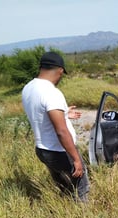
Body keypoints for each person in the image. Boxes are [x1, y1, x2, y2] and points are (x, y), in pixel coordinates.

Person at [22, 51, 90, 202]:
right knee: (81, 189)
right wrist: (76, 159)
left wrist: (64, 114)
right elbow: (61, 131)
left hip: (42, 149)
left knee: (64, 188)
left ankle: (66, 215)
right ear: (60, 70)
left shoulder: (28, 88)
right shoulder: (52, 93)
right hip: (59, 151)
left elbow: (41, 114)